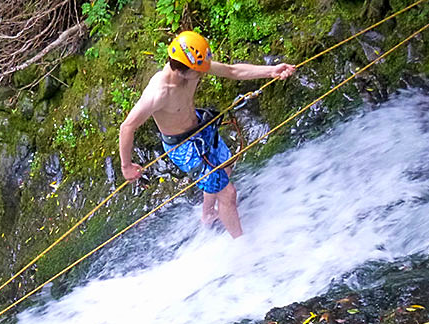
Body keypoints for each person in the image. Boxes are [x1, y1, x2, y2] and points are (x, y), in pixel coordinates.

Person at [118, 30, 296, 238]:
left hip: (200, 129)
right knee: (228, 194)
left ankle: (208, 214)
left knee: (225, 168)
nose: (203, 74)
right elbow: (127, 126)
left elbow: (232, 71)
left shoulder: (193, 67)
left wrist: (272, 70)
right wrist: (126, 166)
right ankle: (244, 245)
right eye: (199, 72)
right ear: (182, 70)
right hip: (182, 146)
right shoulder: (159, 93)